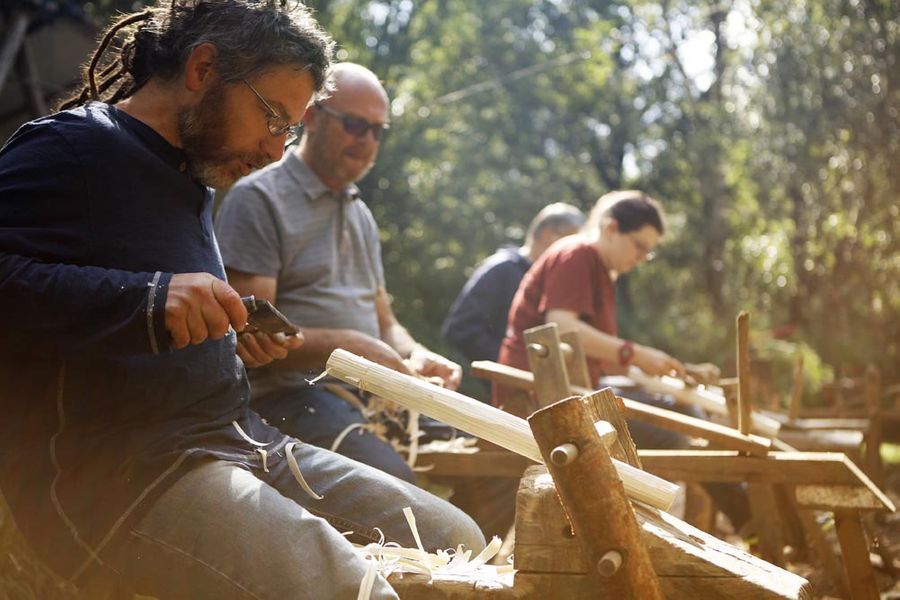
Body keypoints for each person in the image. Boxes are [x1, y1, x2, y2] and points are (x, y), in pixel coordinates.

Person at [0, 3, 483, 598]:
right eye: (273, 118)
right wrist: (145, 300)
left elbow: (156, 325)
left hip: (240, 439)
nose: (276, 150)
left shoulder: (191, 177)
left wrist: (231, 339)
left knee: (458, 540)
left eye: (289, 131)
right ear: (204, 68)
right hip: (125, 473)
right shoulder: (74, 146)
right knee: (356, 592)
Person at [215, 62, 462, 484]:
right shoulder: (260, 198)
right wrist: (353, 349)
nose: (366, 141)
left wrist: (413, 353)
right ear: (311, 115)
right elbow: (254, 332)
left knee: (508, 453)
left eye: (377, 131)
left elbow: (385, 320)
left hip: (371, 397)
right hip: (293, 396)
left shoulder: (361, 214)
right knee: (399, 490)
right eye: (354, 125)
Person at [496, 190, 750, 531]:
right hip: (536, 397)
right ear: (612, 228)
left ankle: (746, 521)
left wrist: (654, 369)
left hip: (572, 389)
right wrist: (633, 353)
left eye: (649, 251)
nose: (643, 257)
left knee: (683, 411)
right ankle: (735, 522)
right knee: (674, 432)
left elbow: (600, 356)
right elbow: (560, 326)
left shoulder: (600, 270)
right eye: (640, 246)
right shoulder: (577, 254)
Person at [442, 202, 585, 367]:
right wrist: (509, 362)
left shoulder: (553, 281)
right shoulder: (502, 268)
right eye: (569, 244)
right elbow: (461, 328)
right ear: (547, 235)